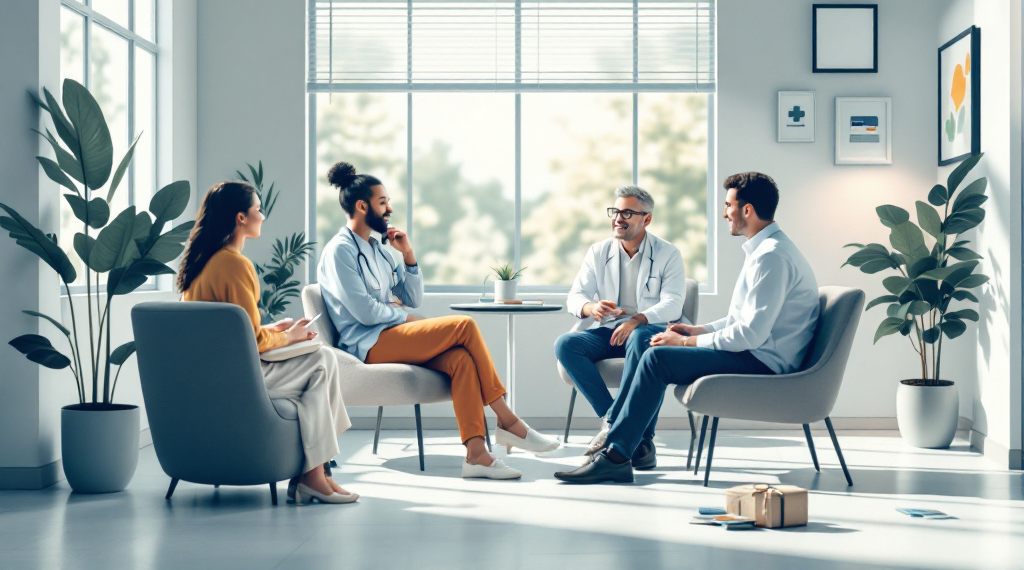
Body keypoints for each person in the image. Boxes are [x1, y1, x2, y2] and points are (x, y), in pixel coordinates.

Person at [554, 172, 820, 484]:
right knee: (649, 352)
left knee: (657, 356)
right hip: (757, 351)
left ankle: (615, 453)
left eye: (728, 205)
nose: (724, 213)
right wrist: (698, 331)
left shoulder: (771, 257)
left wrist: (682, 344)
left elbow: (750, 335)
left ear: (747, 210)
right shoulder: (766, 251)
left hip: (764, 361)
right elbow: (741, 321)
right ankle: (623, 449)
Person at [317, 161, 559, 481]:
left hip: (393, 334)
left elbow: (412, 298)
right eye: (382, 202)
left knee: (460, 359)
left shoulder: (377, 250)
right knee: (463, 325)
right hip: (368, 344)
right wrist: (402, 314)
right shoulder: (340, 251)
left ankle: (477, 456)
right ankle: (509, 422)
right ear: (362, 206)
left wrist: (408, 256)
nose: (390, 208)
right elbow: (365, 312)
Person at [179, 182, 357, 504]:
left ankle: (316, 477)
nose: (263, 215)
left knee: (319, 371)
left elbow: (235, 330)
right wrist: (290, 336)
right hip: (240, 380)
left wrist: (270, 327)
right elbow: (256, 343)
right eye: (258, 209)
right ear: (241, 218)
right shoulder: (233, 264)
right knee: (323, 361)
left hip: (211, 376)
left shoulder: (202, 263)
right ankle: (314, 476)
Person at [554, 185, 686, 470]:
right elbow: (576, 296)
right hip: (610, 331)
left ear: (646, 219)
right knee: (565, 344)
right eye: (615, 211)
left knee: (641, 339)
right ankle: (614, 421)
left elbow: (674, 304)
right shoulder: (599, 251)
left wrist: (638, 319)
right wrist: (591, 308)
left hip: (647, 330)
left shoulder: (667, 253)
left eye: (627, 212)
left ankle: (624, 430)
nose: (618, 218)